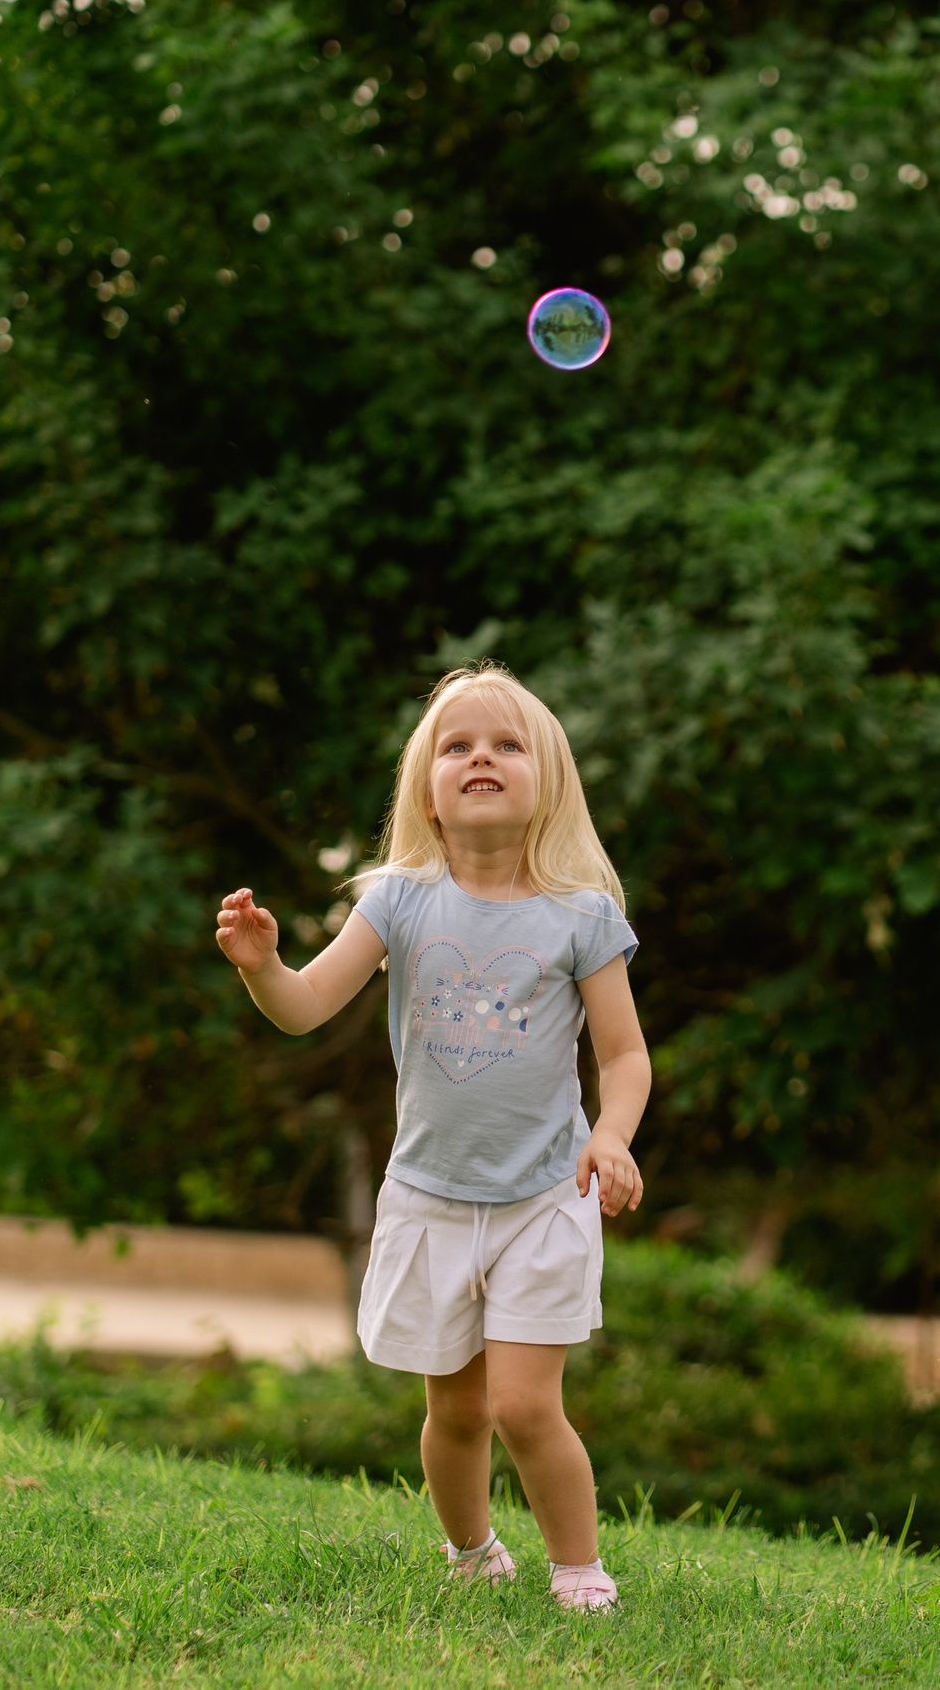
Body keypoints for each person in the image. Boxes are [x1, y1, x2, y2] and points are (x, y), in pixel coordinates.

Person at [212, 664, 647, 1613]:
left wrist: (612, 1135)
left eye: (506, 744)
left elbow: (624, 1055)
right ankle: (472, 1551)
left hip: (544, 1195)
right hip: (431, 1198)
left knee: (524, 1404)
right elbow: (305, 1005)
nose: (480, 757)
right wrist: (263, 967)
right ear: (427, 788)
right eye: (457, 746)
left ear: (548, 781)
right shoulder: (398, 899)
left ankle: (578, 1568)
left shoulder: (580, 913)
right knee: (453, 1409)